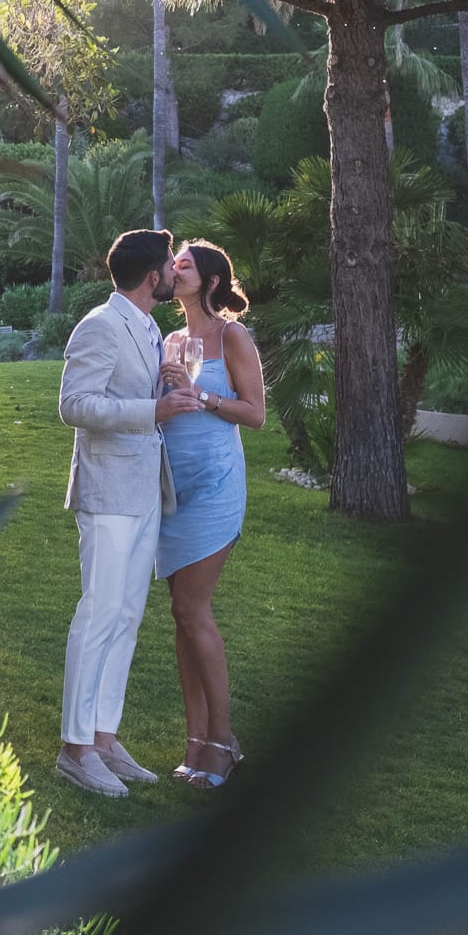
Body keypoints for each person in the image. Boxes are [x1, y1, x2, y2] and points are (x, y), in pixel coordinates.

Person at [53, 228, 195, 798]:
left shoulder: (148, 326)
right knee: (99, 613)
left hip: (143, 490)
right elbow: (74, 405)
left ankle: (104, 740)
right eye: (169, 264)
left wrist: (171, 387)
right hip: (108, 490)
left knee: (128, 616)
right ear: (151, 275)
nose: (174, 272)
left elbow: (137, 395)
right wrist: (152, 408)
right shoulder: (99, 324)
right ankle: (74, 749)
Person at [158, 239, 264, 789]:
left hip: (217, 487)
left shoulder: (231, 336)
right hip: (172, 489)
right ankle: (195, 742)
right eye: (173, 264)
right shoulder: (169, 339)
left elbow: (256, 414)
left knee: (191, 608)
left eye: (185, 265)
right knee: (181, 616)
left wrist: (204, 399)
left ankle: (223, 741)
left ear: (211, 281)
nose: (174, 270)